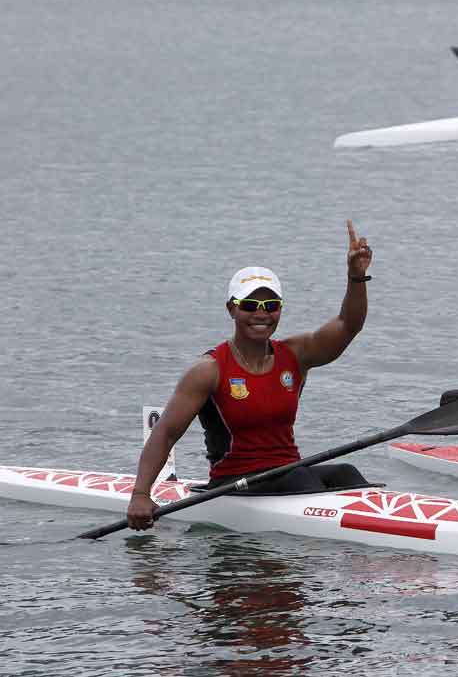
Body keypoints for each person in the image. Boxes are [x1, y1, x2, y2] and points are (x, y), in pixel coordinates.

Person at [126, 220, 374, 531]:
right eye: (250, 305)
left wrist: (356, 276)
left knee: (346, 473)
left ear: (280, 309)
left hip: (288, 475)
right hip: (235, 482)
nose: (261, 313)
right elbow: (165, 432)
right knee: (300, 476)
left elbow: (348, 326)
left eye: (270, 305)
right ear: (232, 309)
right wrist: (140, 494)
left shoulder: (296, 355)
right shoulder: (208, 370)